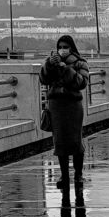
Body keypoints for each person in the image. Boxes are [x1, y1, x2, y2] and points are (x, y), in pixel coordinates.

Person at [39, 35, 90, 192]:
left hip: (73, 106)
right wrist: (49, 64)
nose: (62, 49)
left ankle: (78, 175)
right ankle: (64, 175)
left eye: (65, 47)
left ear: (71, 48)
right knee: (59, 142)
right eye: (60, 46)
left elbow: (81, 82)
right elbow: (43, 79)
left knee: (75, 141)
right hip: (56, 107)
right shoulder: (52, 62)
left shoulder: (80, 62)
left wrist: (65, 68)